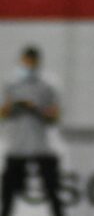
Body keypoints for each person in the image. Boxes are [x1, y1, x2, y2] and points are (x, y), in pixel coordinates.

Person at [0, 46, 64, 216]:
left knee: (53, 192)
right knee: (7, 196)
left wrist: (36, 109)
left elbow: (55, 116)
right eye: (26, 61)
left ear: (37, 62)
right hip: (17, 147)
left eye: (32, 62)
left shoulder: (47, 85)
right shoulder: (11, 84)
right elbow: (2, 113)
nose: (29, 65)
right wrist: (15, 107)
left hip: (42, 146)